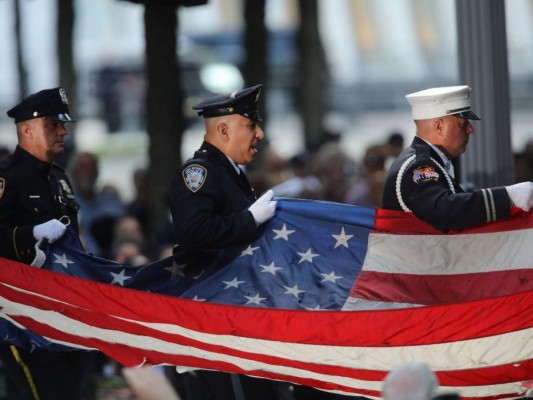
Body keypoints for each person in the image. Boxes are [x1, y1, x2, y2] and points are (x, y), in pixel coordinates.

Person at [167, 84, 282, 400]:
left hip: (238, 317)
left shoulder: (229, 173)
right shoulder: (200, 172)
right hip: (216, 323)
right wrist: (249, 220)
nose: (259, 134)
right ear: (223, 129)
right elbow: (194, 231)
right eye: (250, 125)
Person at [0, 87, 91, 399]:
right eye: (53, 125)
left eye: (62, 124)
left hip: (64, 311)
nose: (63, 131)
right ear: (27, 129)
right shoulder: (6, 177)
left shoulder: (59, 178)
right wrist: (31, 234)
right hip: (20, 318)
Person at [382, 85, 533, 231]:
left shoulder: (430, 161)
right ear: (439, 126)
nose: (470, 129)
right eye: (462, 124)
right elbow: (443, 210)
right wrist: (507, 196)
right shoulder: (419, 165)